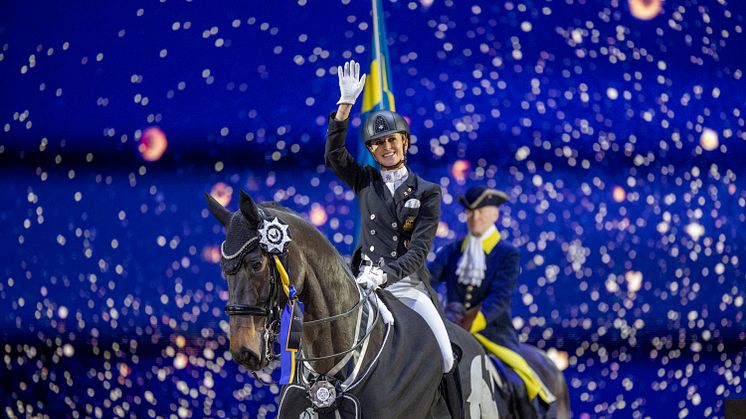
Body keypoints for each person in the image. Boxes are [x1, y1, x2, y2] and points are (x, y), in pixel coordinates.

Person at [324, 60, 461, 417]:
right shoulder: (365, 180)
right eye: (378, 143)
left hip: (407, 286)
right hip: (362, 284)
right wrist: (345, 107)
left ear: (405, 142)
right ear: (371, 150)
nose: (386, 147)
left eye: (391, 140)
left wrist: (385, 274)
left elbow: (418, 251)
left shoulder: (428, 192)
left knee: (446, 354)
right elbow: (334, 156)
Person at [428, 185, 555, 411]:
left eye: (480, 212)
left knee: (519, 383)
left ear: (494, 215)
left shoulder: (508, 254)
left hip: (492, 335)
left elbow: (499, 298)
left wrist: (469, 325)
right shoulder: (453, 251)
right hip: (450, 331)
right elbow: (429, 279)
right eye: (470, 212)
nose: (474, 217)